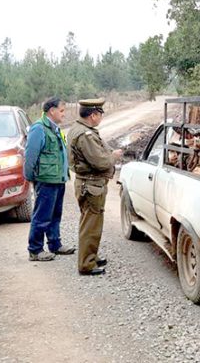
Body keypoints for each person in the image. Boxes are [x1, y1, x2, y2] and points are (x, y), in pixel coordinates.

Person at [67, 98, 122, 275]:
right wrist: (114, 156)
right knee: (91, 225)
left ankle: (91, 255)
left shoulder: (79, 129)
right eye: (100, 114)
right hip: (91, 185)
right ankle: (86, 264)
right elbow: (100, 162)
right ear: (93, 115)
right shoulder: (85, 135)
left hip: (87, 183)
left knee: (89, 222)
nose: (101, 118)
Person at [23, 97, 76, 261]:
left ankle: (55, 244)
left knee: (55, 215)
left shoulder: (56, 129)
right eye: (61, 110)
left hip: (58, 179)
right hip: (46, 180)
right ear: (52, 111)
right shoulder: (39, 128)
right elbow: (30, 156)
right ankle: (35, 249)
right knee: (42, 216)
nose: (64, 114)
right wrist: (30, 177)